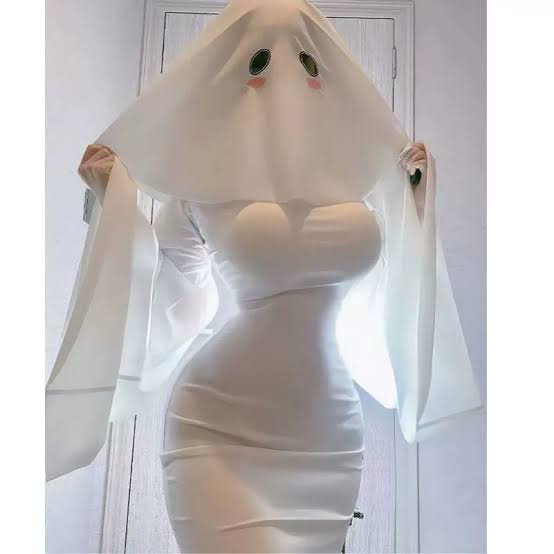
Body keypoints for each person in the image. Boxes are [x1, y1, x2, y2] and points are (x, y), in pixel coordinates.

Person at [47, 1, 483, 552]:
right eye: (260, 60)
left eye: (306, 61)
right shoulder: (202, 185)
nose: (285, 77)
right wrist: (115, 203)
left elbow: (387, 294)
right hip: (219, 430)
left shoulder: (360, 184)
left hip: (328, 432)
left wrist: (413, 205)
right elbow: (176, 296)